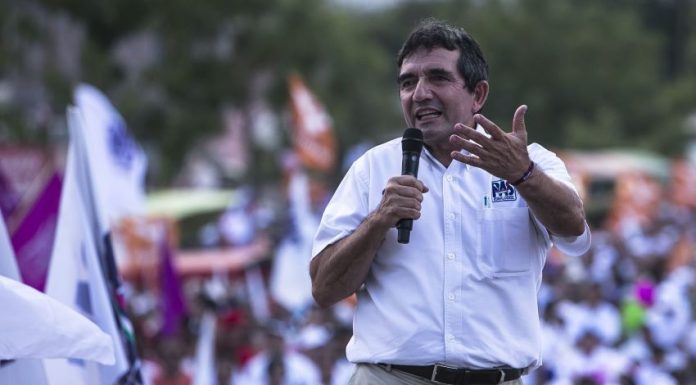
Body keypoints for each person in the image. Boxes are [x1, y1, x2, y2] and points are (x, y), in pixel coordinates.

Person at [309, 18, 592, 385]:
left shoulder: (531, 161)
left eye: (438, 78)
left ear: (478, 94)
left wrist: (523, 174)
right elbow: (324, 288)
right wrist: (379, 221)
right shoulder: (371, 168)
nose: (420, 93)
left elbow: (575, 232)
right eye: (408, 82)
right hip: (390, 377)